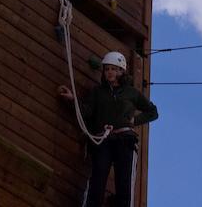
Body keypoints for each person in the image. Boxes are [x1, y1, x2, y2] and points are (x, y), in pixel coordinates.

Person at [58, 51, 158, 207]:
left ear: (121, 71)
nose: (109, 72)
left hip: (125, 141)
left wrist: (134, 120)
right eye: (107, 69)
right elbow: (85, 111)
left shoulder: (131, 93)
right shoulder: (98, 92)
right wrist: (73, 99)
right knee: (97, 180)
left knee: (124, 184)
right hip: (104, 140)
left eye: (113, 69)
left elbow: (153, 112)